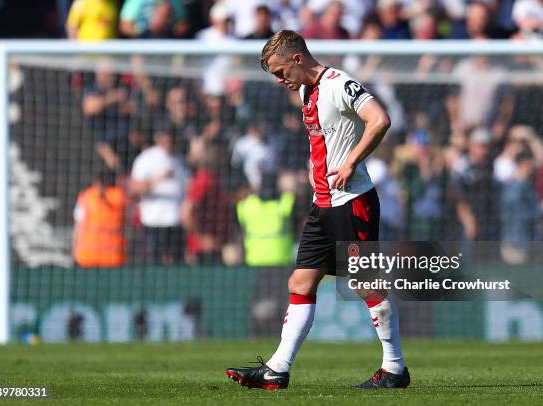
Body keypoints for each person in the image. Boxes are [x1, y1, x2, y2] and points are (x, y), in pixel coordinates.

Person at [225, 30, 409, 390]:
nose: (279, 81)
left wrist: (352, 162)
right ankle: (277, 369)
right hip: (322, 204)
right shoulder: (307, 92)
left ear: (297, 59)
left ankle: (395, 368)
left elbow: (380, 120)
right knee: (300, 282)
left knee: (365, 284)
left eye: (280, 72)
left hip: (352, 202)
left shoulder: (341, 84)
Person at [130, 123, 189, 264]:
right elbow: (135, 188)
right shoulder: (146, 159)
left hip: (175, 222)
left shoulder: (179, 161)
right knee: (155, 265)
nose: (169, 143)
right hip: (153, 222)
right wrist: (158, 179)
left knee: (177, 264)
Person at [73, 170, 127, 268]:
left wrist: (74, 250)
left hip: (87, 257)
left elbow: (78, 226)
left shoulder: (86, 196)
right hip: (113, 258)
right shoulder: (121, 197)